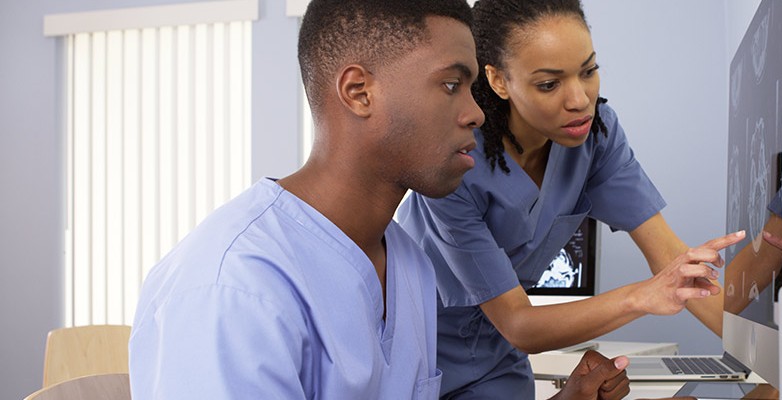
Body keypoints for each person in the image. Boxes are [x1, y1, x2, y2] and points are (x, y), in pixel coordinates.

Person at [128, 0, 631, 398]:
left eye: (474, 88)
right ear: (358, 92)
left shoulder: (407, 265)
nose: (477, 114)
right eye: (452, 84)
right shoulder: (233, 289)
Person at [396, 0, 744, 398]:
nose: (579, 99)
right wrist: (642, 295)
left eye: (589, 71)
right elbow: (519, 324)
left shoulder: (595, 136)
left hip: (497, 355)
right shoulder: (456, 159)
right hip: (420, 350)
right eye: (549, 84)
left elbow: (670, 258)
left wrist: (777, 363)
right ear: (499, 80)